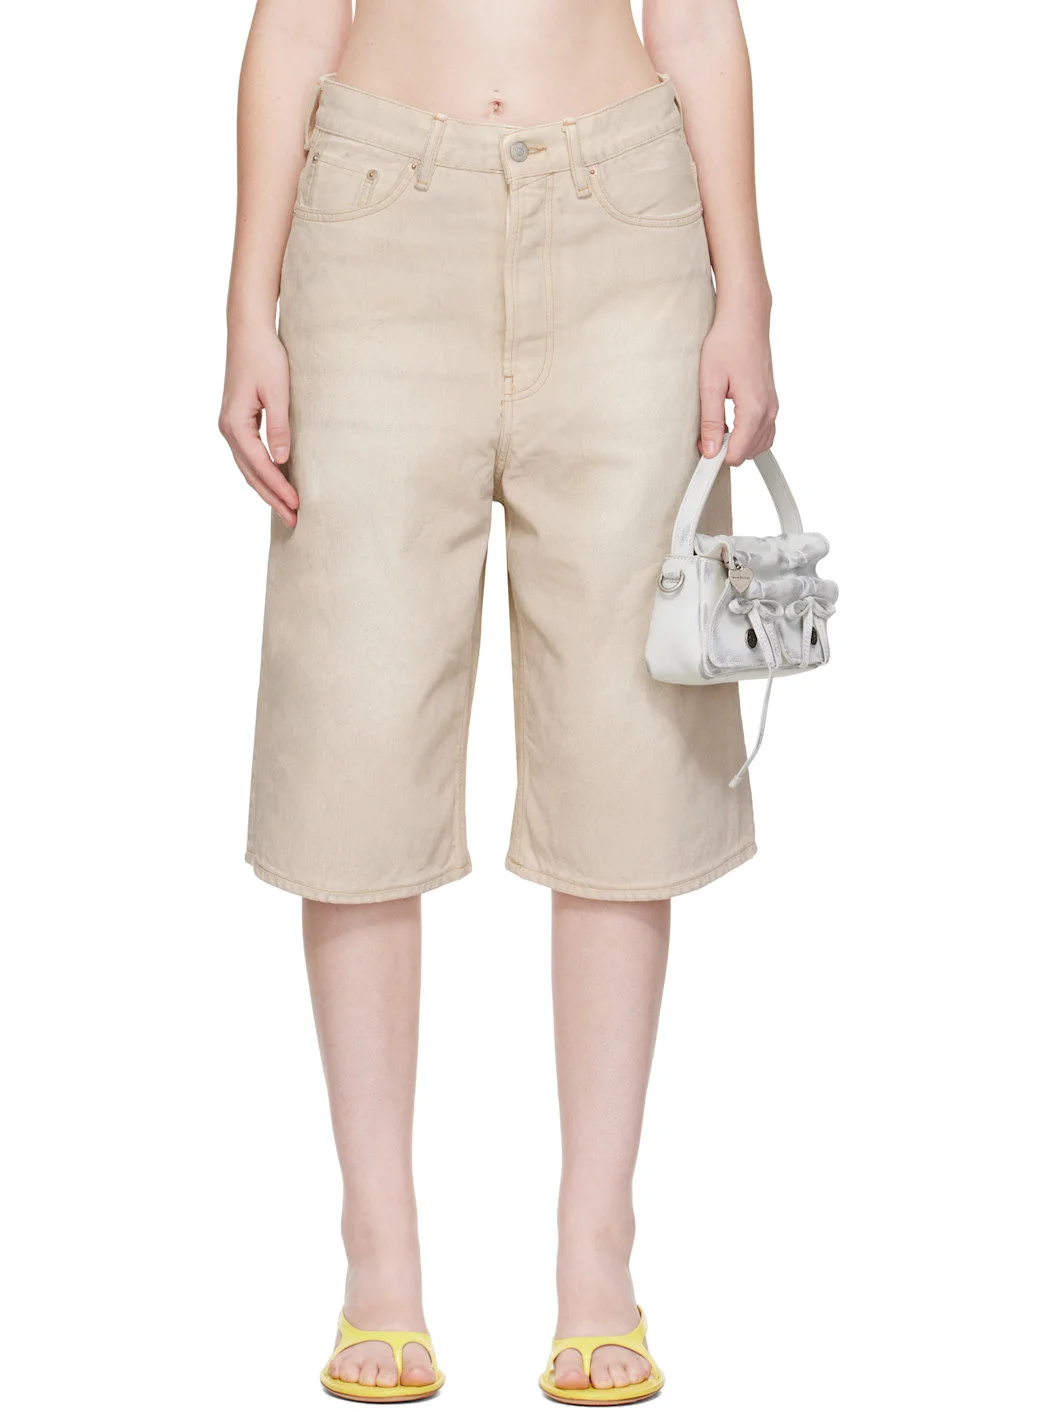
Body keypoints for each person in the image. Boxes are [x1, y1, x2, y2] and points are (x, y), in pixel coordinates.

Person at [219, 0, 777, 1401]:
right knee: (353, 742)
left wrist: (746, 294)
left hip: (625, 225)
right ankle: (378, 1254)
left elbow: (696, 25)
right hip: (373, 226)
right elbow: (294, 26)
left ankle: (598, 1253)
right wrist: (246, 308)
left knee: (623, 752)